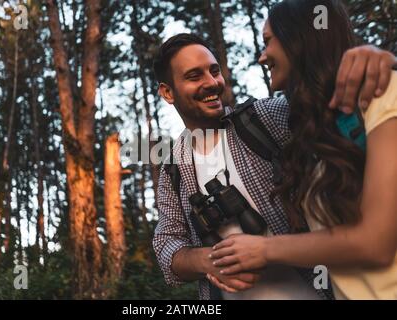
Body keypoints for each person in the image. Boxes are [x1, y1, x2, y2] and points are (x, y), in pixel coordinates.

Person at [152, 31, 396, 299]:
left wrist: (370, 60)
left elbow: (326, 101)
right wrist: (210, 259)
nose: (212, 83)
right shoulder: (173, 166)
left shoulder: (261, 120)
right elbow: (167, 244)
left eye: (214, 71)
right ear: (167, 92)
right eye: (194, 76)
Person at [209, 0, 397, 300]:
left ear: (299, 37)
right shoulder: (313, 127)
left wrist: (263, 250)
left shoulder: (382, 93)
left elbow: (376, 243)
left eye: (268, 41)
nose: (261, 57)